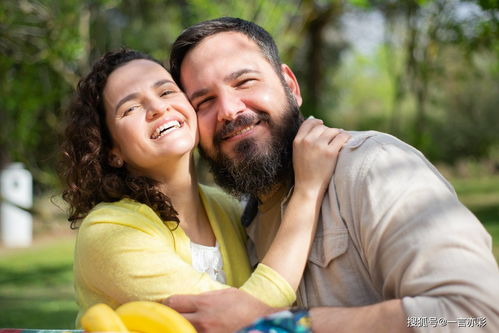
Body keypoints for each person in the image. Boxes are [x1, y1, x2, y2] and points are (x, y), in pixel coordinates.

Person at [164, 17, 499, 332]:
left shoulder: (372, 167)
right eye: (204, 102)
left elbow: (477, 317)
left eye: (244, 81)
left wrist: (282, 323)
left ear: (291, 86)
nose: (228, 110)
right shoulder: (241, 224)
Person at [60, 48, 349, 326]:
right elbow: (239, 322)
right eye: (131, 108)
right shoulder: (109, 232)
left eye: (166, 91)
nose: (158, 108)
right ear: (112, 151)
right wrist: (308, 192)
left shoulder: (226, 208)